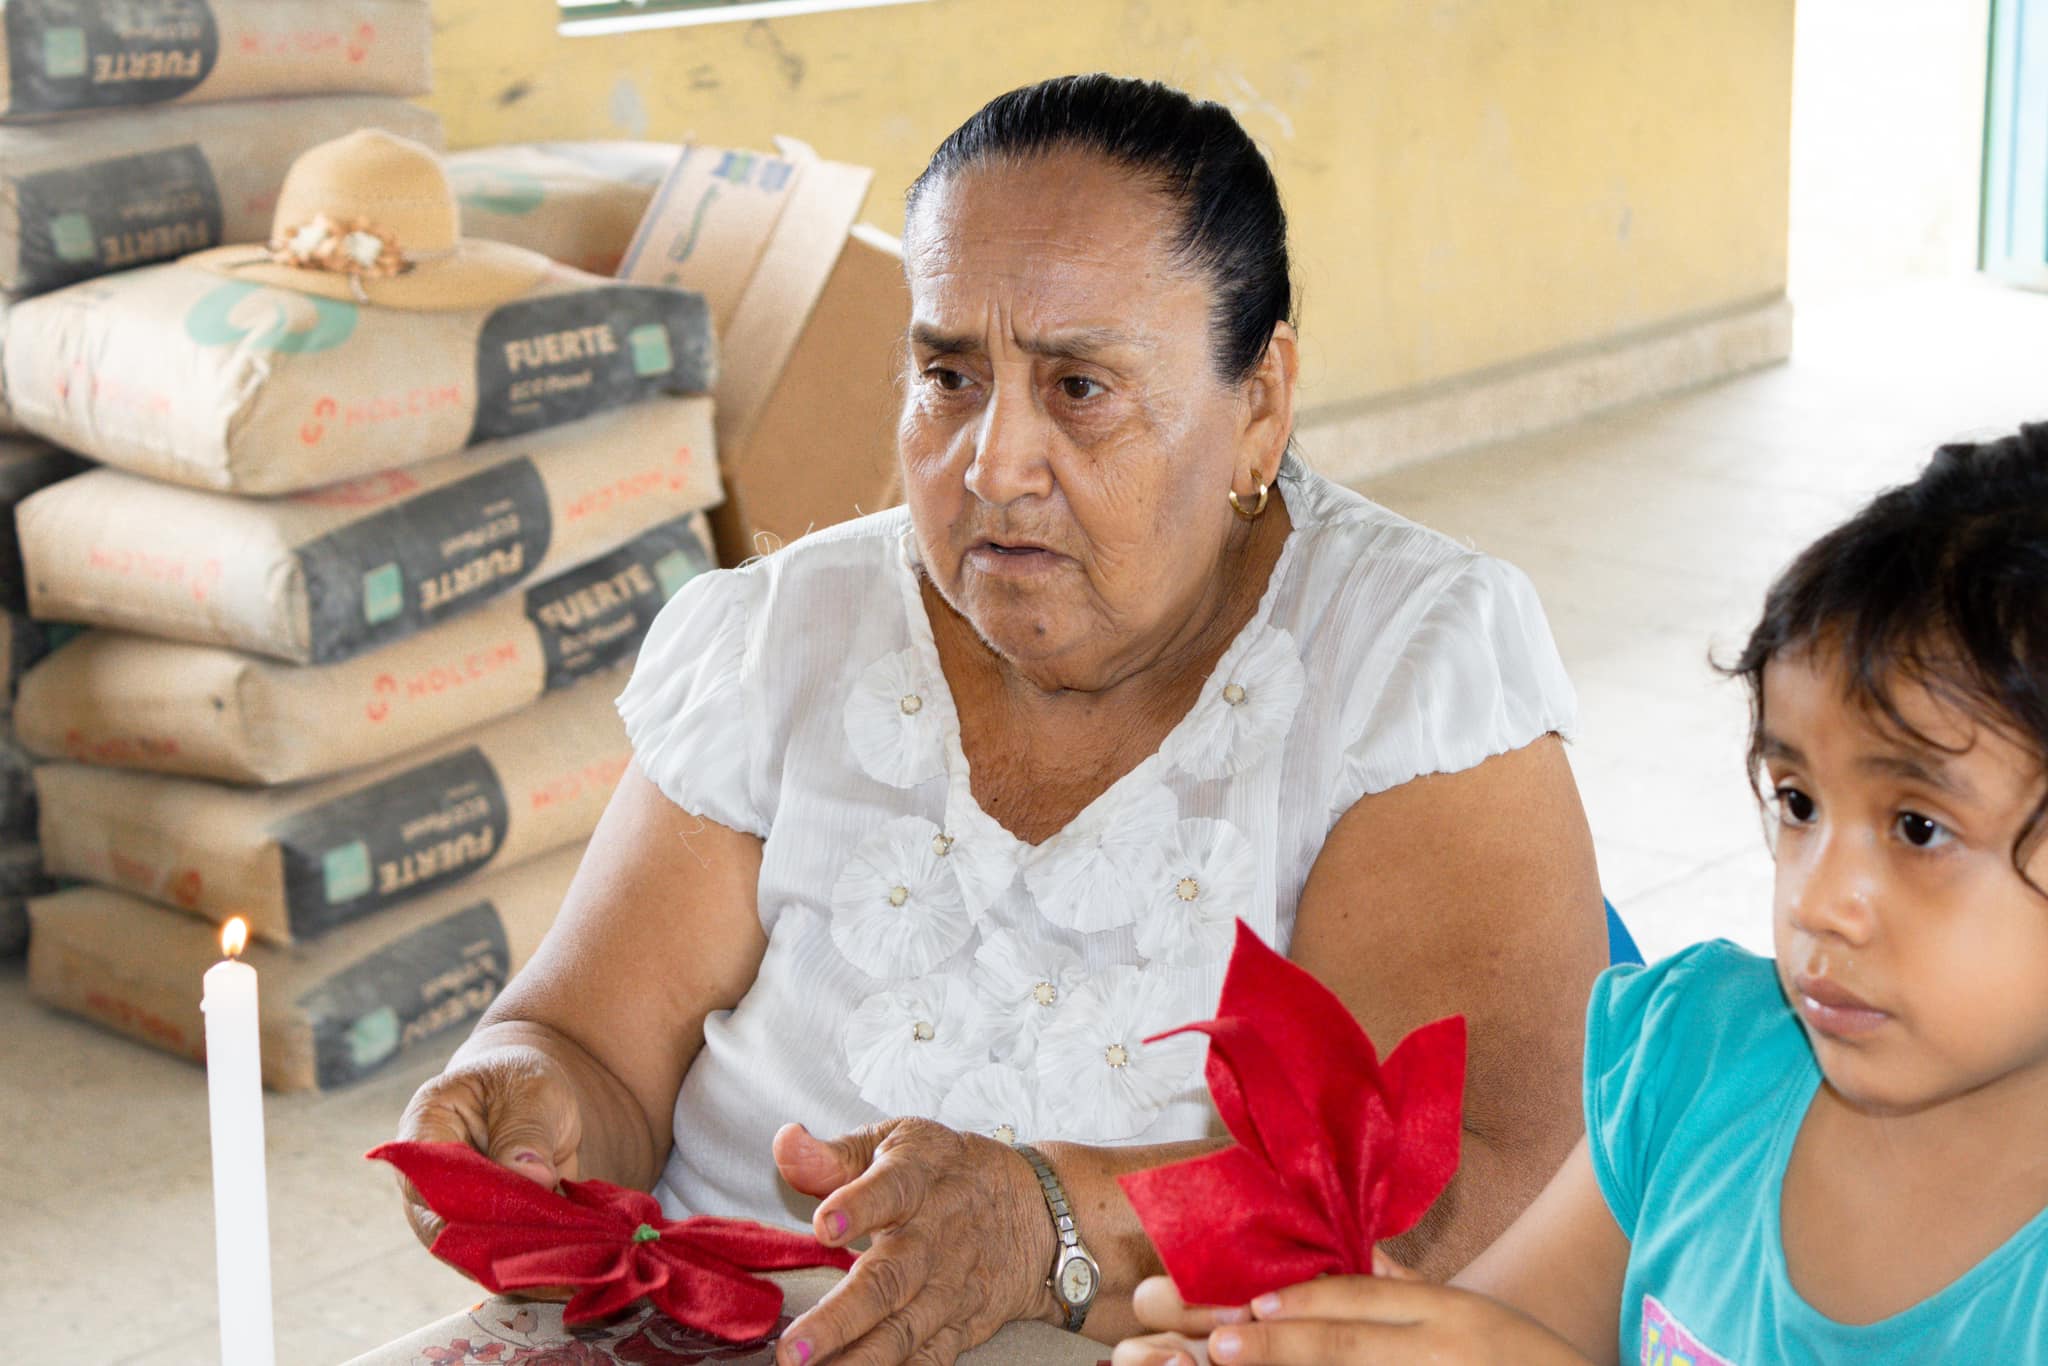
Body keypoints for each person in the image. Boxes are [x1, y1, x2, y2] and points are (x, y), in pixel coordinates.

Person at [395, 73, 1608, 1363]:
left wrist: (1047, 1227)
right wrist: (527, 1100)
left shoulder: (1403, 665)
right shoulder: (786, 632)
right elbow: (589, 1047)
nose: (991, 462)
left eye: (1078, 386)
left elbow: (1479, 1183)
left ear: (1259, 404)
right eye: (949, 375)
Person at [1116, 429, 2048, 1365]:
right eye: (1800, 804)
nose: (1819, 901)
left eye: (1918, 827)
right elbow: (1499, 1334)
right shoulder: (1697, 1061)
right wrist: (1326, 1342)